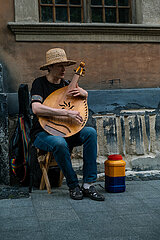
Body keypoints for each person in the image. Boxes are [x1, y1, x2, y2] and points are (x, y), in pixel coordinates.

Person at [30, 48, 105, 201]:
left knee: (90, 133)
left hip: (66, 131)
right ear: (49, 67)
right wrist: (65, 113)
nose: (64, 69)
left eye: (65, 65)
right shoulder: (39, 83)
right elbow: (36, 108)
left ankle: (88, 184)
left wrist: (86, 94)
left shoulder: (67, 86)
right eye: (59, 66)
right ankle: (73, 185)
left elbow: (78, 107)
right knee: (59, 142)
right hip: (43, 133)